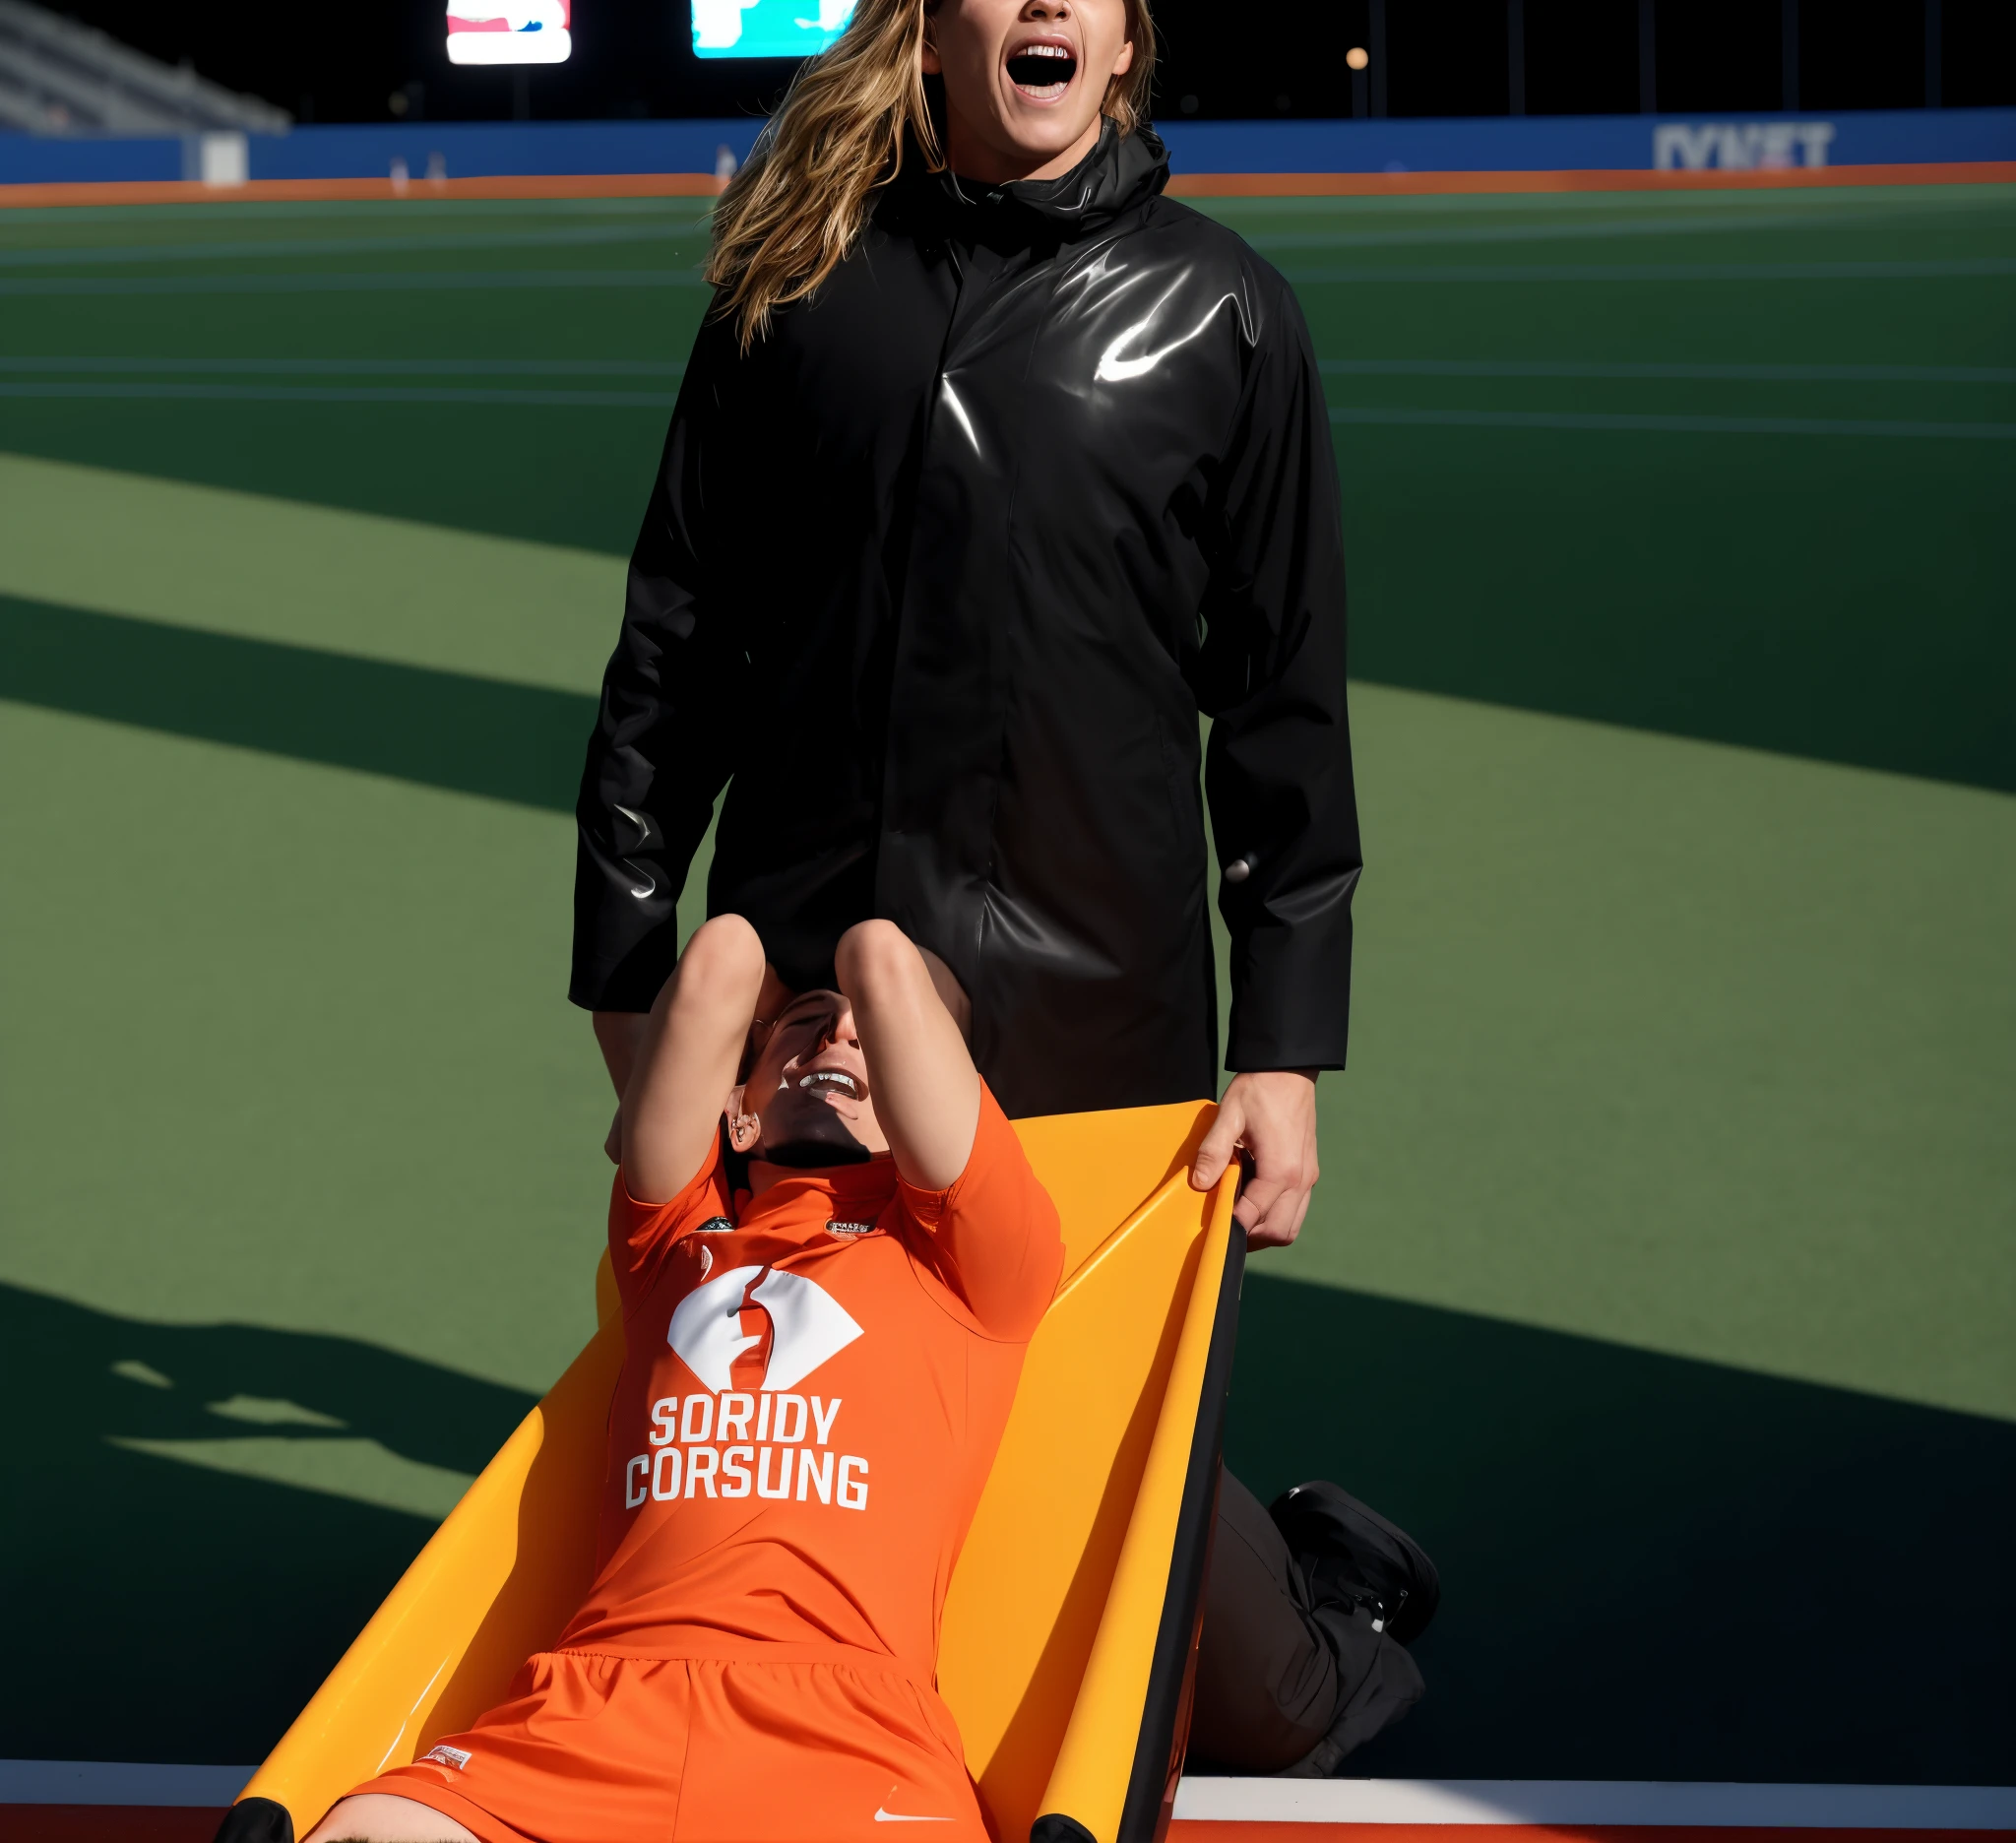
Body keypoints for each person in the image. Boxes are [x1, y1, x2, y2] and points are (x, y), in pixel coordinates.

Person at [570, 0, 1421, 1775]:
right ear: (932, 37)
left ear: (1124, 46)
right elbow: (675, 644)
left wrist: (1283, 1038)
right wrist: (627, 956)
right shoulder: (793, 287)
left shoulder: (1224, 308)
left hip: (1100, 997)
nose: (1044, 5)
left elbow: (1279, 697)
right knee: (816, 1397)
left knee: (1116, 1471)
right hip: (811, 992)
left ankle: (1325, 1628)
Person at [305, 917, 1061, 1842]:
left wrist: (854, 1004)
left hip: (848, 1736)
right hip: (592, 1708)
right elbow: (723, 956)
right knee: (361, 1834)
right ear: (735, 1113)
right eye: (807, 1026)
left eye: (870, 1035)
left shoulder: (976, 1263)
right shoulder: (668, 1240)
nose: (839, 1034)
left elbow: (884, 958)